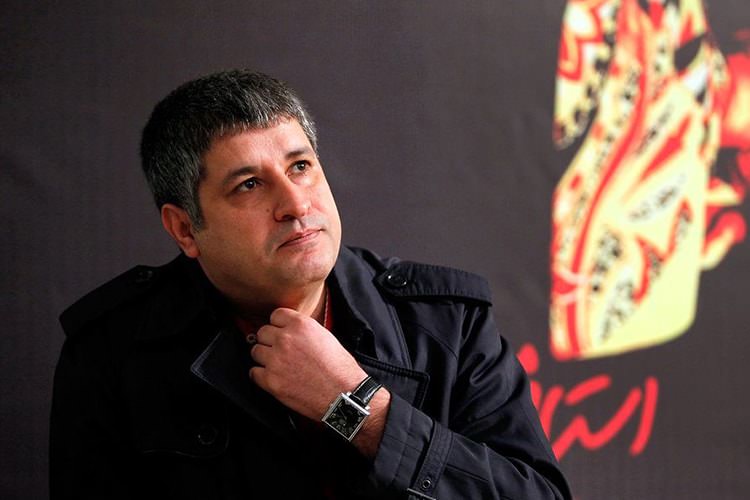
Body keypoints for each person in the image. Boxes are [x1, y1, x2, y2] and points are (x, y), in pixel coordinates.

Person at [50, 70, 572, 499]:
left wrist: (358, 409)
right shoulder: (112, 353)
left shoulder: (448, 323)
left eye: (300, 166)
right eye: (249, 185)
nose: (296, 204)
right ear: (185, 228)